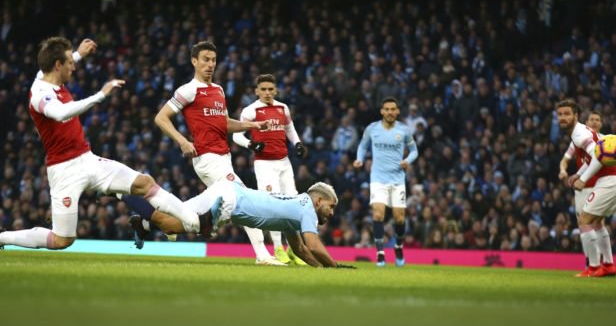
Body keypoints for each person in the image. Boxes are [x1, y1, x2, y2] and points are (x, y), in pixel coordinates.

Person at [0, 37, 207, 251]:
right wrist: (100, 95)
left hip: (88, 159)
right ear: (58, 65)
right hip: (63, 170)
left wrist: (79, 53)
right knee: (62, 240)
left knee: (144, 183)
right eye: (70, 62)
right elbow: (61, 113)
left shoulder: (47, 76)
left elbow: (60, 69)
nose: (74, 66)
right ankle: (2, 238)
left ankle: (194, 221)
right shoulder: (40, 95)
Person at [150, 41, 282, 266]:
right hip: (207, 157)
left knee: (222, 204)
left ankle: (164, 221)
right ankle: (262, 256)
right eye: (205, 60)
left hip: (224, 156)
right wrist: (182, 141)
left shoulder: (218, 90)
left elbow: (224, 124)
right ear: (194, 61)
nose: (210, 64)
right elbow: (160, 118)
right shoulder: (188, 90)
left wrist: (253, 126)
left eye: (213, 60)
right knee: (244, 200)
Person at [133, 181, 354, 269]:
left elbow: (301, 250)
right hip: (231, 203)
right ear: (318, 201)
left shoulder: (297, 208)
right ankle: (127, 193)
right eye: (330, 206)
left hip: (227, 190)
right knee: (172, 224)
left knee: (169, 219)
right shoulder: (308, 210)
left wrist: (320, 269)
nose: (331, 212)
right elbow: (314, 246)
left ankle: (140, 220)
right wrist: (335, 267)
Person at [232, 73, 307, 265]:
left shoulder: (283, 107)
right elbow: (236, 136)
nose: (267, 93)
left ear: (276, 90)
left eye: (270, 89)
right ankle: (278, 248)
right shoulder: (251, 110)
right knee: (273, 204)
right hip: (264, 164)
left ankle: (294, 250)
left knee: (293, 202)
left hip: (284, 162)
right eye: (263, 89)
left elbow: (289, 128)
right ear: (256, 91)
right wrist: (251, 144)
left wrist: (297, 142)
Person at [556, 100, 616, 277]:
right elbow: (593, 156)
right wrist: (578, 173)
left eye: (567, 114)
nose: (563, 118)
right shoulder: (580, 132)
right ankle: (608, 265)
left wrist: (583, 178)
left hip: (611, 180)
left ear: (576, 116)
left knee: (584, 221)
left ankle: (594, 268)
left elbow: (598, 158)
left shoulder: (579, 135)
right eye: (560, 114)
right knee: (596, 222)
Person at [353, 97, 418, 267]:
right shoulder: (372, 128)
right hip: (378, 179)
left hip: (397, 179)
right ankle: (380, 253)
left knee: (399, 218)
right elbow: (362, 146)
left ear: (397, 111)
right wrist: (359, 159)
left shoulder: (404, 130)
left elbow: (414, 151)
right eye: (387, 109)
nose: (390, 112)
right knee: (378, 214)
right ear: (382, 111)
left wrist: (407, 161)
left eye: (393, 109)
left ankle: (398, 246)